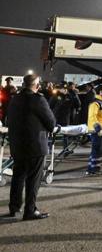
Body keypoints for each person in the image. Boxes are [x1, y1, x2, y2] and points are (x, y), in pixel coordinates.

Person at [5, 74, 55, 220]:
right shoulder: (38, 99)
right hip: (35, 145)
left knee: (18, 177)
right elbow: (50, 122)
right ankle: (30, 210)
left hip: (17, 144)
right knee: (33, 179)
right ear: (35, 85)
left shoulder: (15, 99)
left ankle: (14, 208)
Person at [86, 85, 102, 176]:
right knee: (96, 150)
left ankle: (91, 169)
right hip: (96, 131)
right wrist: (98, 128)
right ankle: (94, 170)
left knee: (96, 150)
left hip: (100, 130)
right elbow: (92, 116)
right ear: (100, 92)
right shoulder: (95, 103)